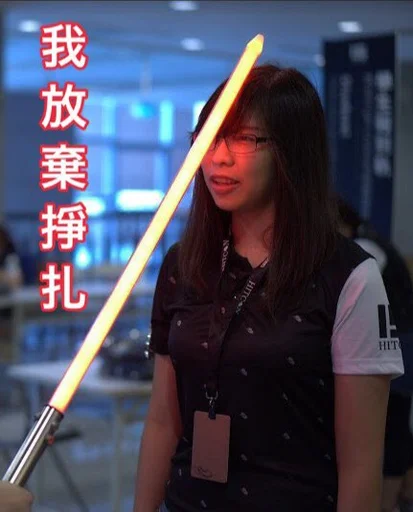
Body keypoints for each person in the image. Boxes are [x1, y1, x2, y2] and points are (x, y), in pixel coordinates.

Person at [133, 64, 404, 512]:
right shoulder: (184, 263)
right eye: (210, 137)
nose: (218, 157)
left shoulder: (348, 277)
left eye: (244, 138)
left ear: (292, 151)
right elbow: (163, 421)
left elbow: (360, 469)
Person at [337, 197, 413, 512]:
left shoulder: (364, 252)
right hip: (395, 343)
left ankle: (389, 503)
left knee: (392, 425)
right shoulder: (370, 241)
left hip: (396, 345)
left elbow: (358, 290)